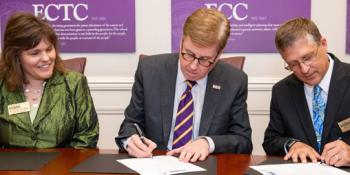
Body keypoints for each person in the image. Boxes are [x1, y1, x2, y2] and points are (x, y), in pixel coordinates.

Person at [115, 8, 252, 162]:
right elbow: (130, 124)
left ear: (219, 55)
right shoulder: (149, 70)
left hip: (204, 167)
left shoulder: (233, 81)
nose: (193, 66)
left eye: (204, 60)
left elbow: (243, 140)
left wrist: (208, 143)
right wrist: (130, 140)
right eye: (188, 54)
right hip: (155, 165)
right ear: (181, 42)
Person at [0, 12, 99, 148]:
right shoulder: (2, 85)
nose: (46, 58)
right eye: (35, 53)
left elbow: (87, 137)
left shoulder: (73, 83)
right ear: (15, 56)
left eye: (49, 49)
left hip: (60, 167)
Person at [263, 17, 350, 165]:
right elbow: (271, 140)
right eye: (293, 64)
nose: (304, 69)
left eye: (307, 57)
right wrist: (293, 144)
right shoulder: (282, 90)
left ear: (323, 44)